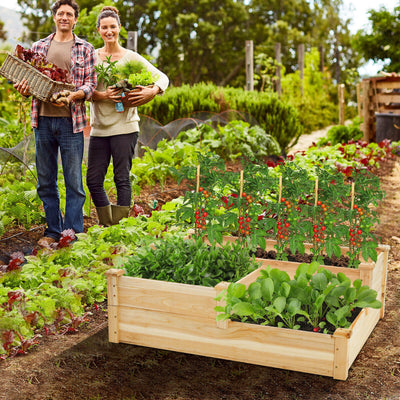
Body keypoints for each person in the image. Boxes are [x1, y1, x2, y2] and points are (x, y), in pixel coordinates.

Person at [14, 0, 97, 247]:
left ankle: (71, 235)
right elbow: (28, 83)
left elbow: (90, 85)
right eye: (60, 13)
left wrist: (75, 95)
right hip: (43, 122)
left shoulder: (85, 48)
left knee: (73, 181)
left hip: (71, 123)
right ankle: (52, 231)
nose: (64, 17)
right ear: (54, 17)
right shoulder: (39, 46)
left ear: (75, 19)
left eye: (69, 14)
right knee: (46, 180)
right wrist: (24, 90)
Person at [87, 6, 169, 226]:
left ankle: (120, 228)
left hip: (125, 128)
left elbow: (162, 77)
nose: (109, 31)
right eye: (104, 27)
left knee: (121, 178)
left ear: (119, 28)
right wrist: (104, 95)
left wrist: (153, 90)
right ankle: (108, 223)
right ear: (98, 30)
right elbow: (84, 90)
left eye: (113, 26)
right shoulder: (92, 57)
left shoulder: (131, 58)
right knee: (93, 180)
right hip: (99, 128)